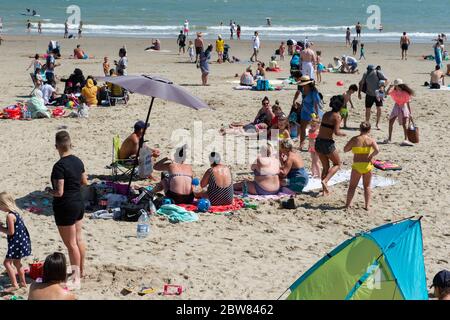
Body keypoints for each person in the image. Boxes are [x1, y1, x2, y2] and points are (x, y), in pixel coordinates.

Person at [46, 131, 88, 281]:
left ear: (56, 146)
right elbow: (85, 182)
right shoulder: (78, 161)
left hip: (65, 206)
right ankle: (81, 271)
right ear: (70, 143)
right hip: (78, 203)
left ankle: (76, 276)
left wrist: (48, 190)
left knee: (71, 245)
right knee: (79, 240)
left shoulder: (59, 166)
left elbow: (59, 192)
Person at [0, 192, 32, 293]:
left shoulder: (10, 216)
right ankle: (22, 282)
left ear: (4, 204)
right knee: (17, 263)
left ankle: (14, 285)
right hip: (21, 242)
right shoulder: (16, 212)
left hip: (16, 243)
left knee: (6, 263)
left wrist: (1, 228)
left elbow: (11, 232)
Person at [344, 122, 380, 210]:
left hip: (357, 165)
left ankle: (348, 205)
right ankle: (367, 206)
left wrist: (353, 148)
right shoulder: (370, 140)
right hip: (367, 165)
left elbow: (345, 149)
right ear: (369, 130)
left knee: (352, 186)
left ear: (360, 129)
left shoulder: (355, 139)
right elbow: (377, 150)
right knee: (367, 186)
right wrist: (371, 156)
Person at [315, 95, 346, 196]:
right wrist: (343, 134)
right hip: (327, 143)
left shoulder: (325, 114)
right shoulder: (337, 116)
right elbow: (336, 132)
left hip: (318, 142)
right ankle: (325, 181)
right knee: (337, 164)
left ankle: (324, 190)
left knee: (325, 167)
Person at [292, 75, 323, 150]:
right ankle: (301, 144)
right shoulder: (302, 89)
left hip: (313, 112)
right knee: (302, 127)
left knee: (313, 129)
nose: (302, 85)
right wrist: (294, 100)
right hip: (304, 110)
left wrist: (317, 115)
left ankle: (312, 145)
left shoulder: (313, 92)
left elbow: (316, 104)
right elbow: (297, 92)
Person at [384, 79, 414, 145]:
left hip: (403, 107)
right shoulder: (394, 91)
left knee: (404, 124)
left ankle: (406, 139)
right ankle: (389, 138)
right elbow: (386, 93)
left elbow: (408, 103)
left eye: (397, 85)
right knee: (390, 122)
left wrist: (410, 113)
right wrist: (389, 86)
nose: (396, 86)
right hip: (396, 106)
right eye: (395, 85)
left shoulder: (405, 93)